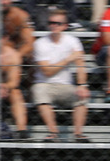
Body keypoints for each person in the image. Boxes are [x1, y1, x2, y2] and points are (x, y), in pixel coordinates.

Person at [32, 11, 90, 142]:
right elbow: (47, 71)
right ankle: (53, 133)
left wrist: (82, 85)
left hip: (66, 85)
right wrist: (68, 58)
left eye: (58, 23)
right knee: (38, 90)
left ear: (65, 26)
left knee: (82, 96)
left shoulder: (73, 41)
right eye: (51, 23)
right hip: (45, 84)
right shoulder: (40, 43)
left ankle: (78, 134)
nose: (54, 26)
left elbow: (81, 64)